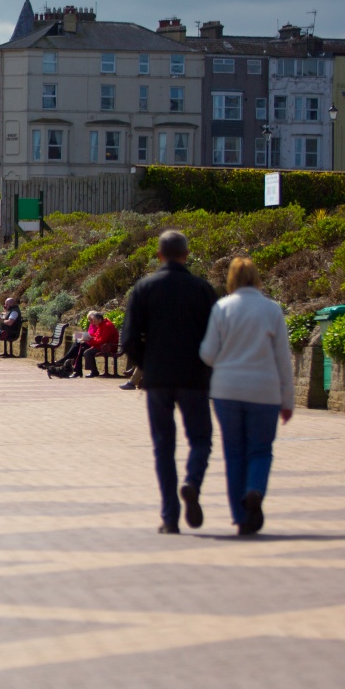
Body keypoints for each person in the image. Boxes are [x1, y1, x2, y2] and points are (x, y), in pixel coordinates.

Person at [122, 229, 218, 534]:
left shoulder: (144, 288)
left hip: (158, 378)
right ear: (186, 255)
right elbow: (215, 337)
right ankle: (192, 482)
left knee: (163, 446)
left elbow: (128, 339)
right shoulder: (202, 289)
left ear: (159, 255)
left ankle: (170, 516)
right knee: (201, 440)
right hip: (194, 378)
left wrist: (145, 363)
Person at [199, 257, 295, 536]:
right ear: (256, 278)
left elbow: (207, 353)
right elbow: (283, 361)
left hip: (227, 391)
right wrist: (287, 401)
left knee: (234, 453)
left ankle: (241, 517)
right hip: (264, 392)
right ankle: (255, 489)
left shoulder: (221, 308)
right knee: (261, 450)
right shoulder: (271, 310)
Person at [79, 309, 120, 377]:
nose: (93, 323)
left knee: (88, 353)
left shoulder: (106, 326)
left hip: (108, 347)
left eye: (94, 320)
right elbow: (97, 336)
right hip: (103, 346)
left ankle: (94, 372)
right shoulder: (101, 325)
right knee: (83, 349)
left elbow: (102, 340)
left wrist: (89, 340)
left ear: (99, 320)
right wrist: (87, 337)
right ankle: (91, 371)